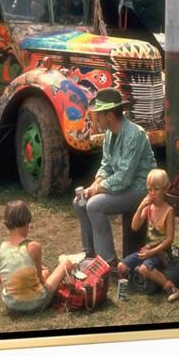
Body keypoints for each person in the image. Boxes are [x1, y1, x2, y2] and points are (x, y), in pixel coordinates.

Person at [73, 87, 156, 267]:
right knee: (80, 202)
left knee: (95, 205)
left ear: (110, 116)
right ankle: (90, 256)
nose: (95, 118)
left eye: (99, 115)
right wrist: (94, 184)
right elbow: (107, 165)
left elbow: (124, 178)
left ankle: (108, 263)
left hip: (139, 189)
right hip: (123, 187)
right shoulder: (110, 134)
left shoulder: (134, 134)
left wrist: (98, 189)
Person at [0, 200, 74, 313]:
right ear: (26, 222)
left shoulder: (3, 247)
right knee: (65, 263)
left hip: (10, 305)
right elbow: (42, 281)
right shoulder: (34, 247)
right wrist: (45, 273)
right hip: (35, 304)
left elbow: (3, 279)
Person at [118, 169, 179, 302]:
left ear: (165, 189)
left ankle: (171, 287)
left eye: (156, 189)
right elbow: (134, 226)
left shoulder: (169, 211)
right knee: (121, 267)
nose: (152, 193)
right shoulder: (148, 208)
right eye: (149, 189)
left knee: (145, 268)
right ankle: (136, 280)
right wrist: (141, 206)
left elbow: (169, 239)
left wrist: (151, 252)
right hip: (147, 250)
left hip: (162, 253)